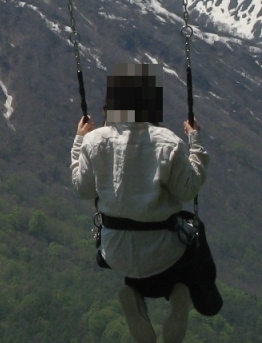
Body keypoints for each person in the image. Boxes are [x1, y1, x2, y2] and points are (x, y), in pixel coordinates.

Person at [71, 63, 219, 343]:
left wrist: (79, 140)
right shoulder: (168, 142)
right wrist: (195, 142)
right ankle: (189, 294)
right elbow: (189, 189)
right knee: (191, 234)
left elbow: (83, 188)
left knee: (136, 254)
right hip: (163, 248)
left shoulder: (93, 141)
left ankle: (135, 293)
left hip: (114, 250)